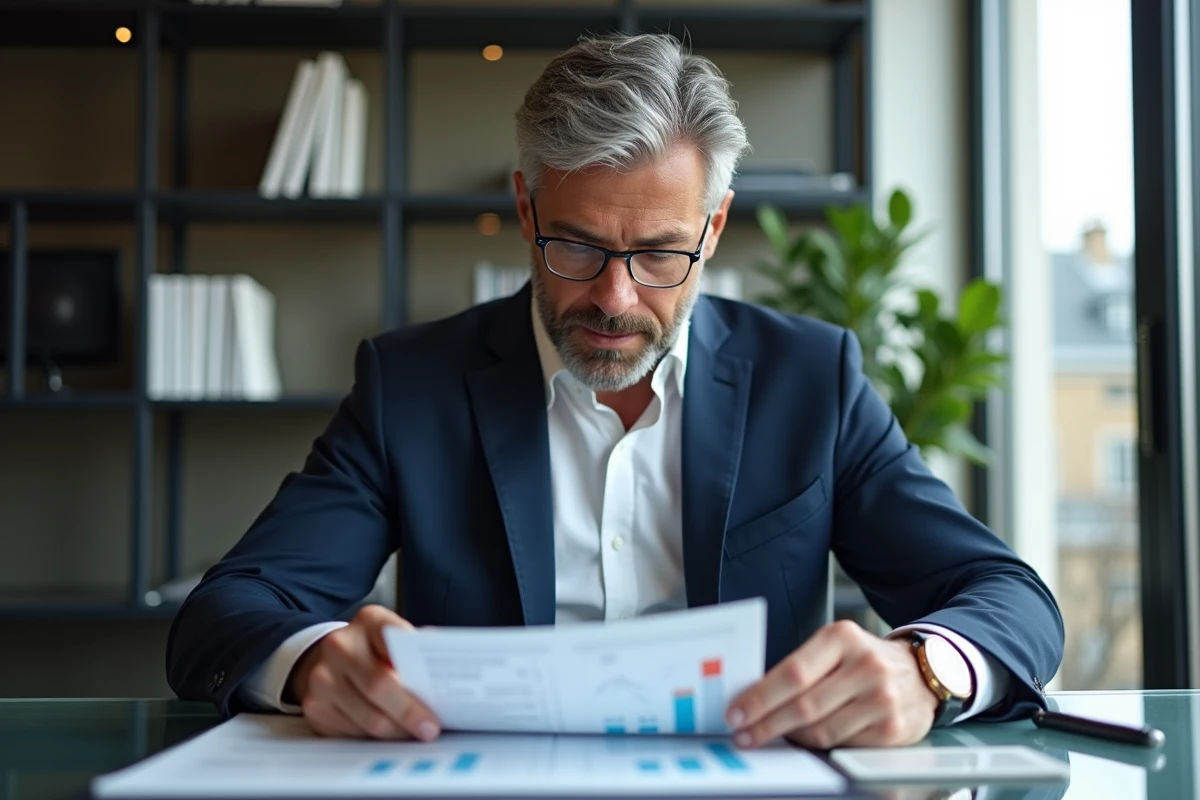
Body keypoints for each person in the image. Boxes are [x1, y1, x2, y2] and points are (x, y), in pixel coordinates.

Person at [166, 32, 1063, 751]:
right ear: (526, 211)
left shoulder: (811, 380)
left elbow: (1007, 595)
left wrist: (927, 671)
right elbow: (225, 612)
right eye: (578, 247)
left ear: (714, 228)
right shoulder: (413, 387)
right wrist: (315, 662)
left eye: (660, 254)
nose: (615, 299)